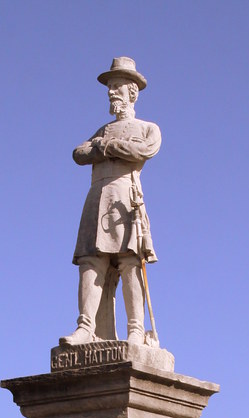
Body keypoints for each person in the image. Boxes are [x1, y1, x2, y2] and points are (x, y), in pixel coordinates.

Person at [61, 57, 161, 347]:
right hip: (97, 196)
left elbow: (143, 150)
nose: (111, 92)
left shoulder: (147, 128)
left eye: (116, 86)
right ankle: (85, 327)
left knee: (129, 260)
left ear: (132, 92)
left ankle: (135, 329)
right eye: (110, 87)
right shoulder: (102, 129)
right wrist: (105, 147)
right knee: (91, 261)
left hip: (125, 195)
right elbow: (79, 154)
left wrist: (104, 148)